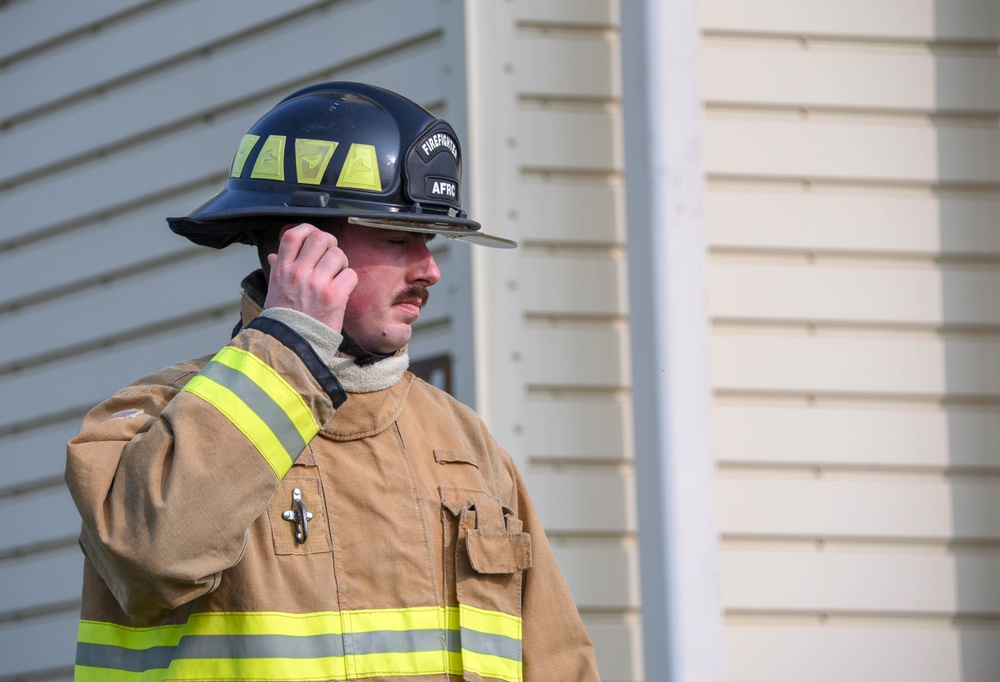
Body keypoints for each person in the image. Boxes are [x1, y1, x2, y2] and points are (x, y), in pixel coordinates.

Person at [65, 82, 600, 681]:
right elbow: (154, 555)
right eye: (398, 239)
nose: (429, 270)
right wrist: (290, 344)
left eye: (432, 241)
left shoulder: (466, 447)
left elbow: (557, 661)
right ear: (301, 246)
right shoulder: (152, 418)